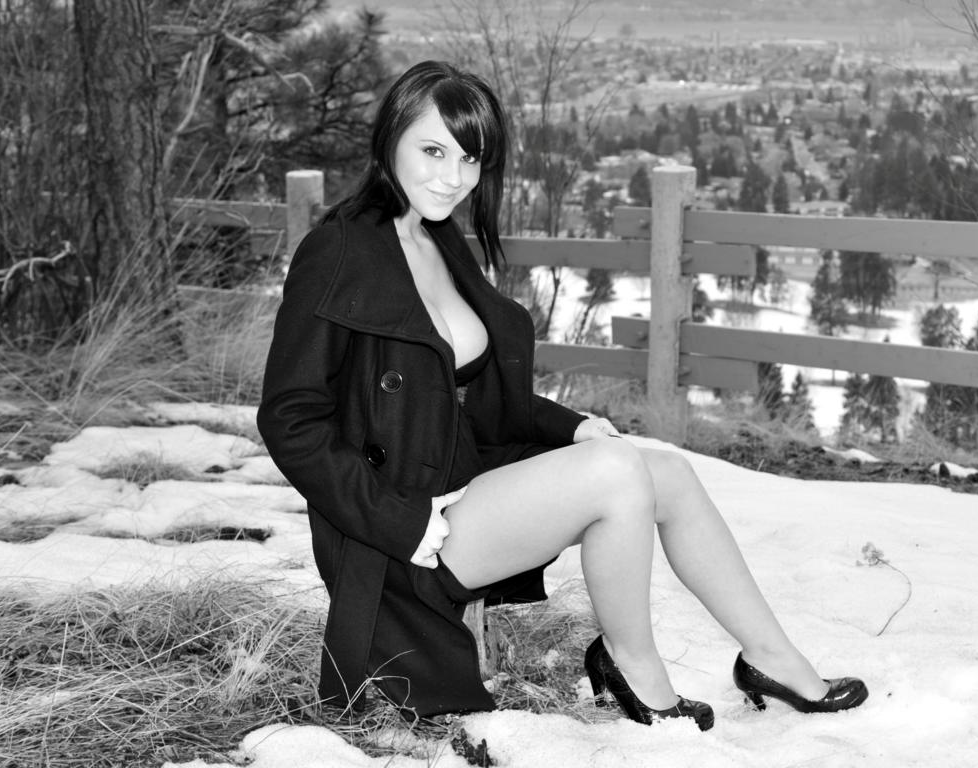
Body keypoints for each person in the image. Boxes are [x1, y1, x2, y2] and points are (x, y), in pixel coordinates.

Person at [257, 60, 867, 731]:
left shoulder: (435, 236)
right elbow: (290, 419)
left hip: (462, 483)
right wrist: (401, 520)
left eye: (470, 159)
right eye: (432, 151)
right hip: (402, 528)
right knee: (615, 475)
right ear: (390, 137)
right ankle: (635, 671)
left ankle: (772, 659)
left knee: (668, 474)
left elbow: (474, 397)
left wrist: (570, 426)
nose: (452, 178)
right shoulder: (338, 251)